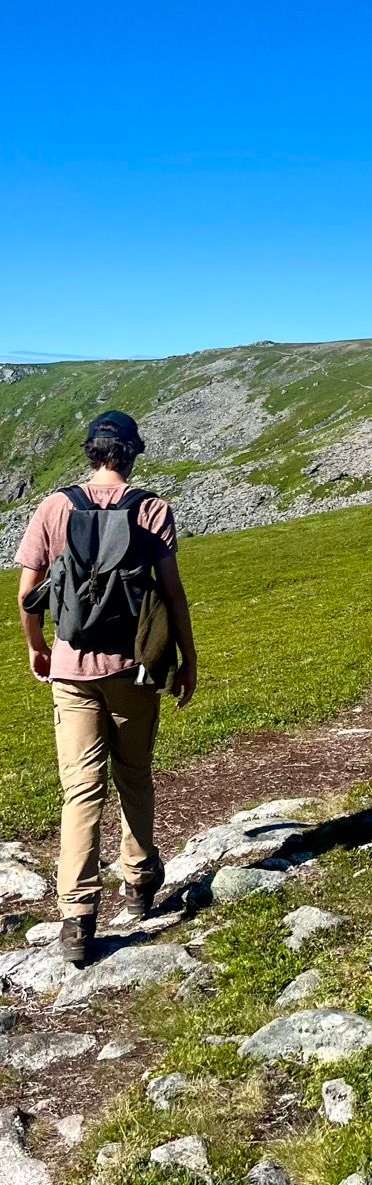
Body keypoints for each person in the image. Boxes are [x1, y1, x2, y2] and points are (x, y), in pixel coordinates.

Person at [15, 410, 197, 966]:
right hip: (134, 670)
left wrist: (37, 646)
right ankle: (139, 884)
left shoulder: (54, 507)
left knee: (81, 789)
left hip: (71, 673)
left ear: (91, 452)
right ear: (132, 453)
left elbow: (27, 593)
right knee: (134, 775)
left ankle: (76, 917)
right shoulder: (152, 509)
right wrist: (188, 658)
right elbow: (172, 593)